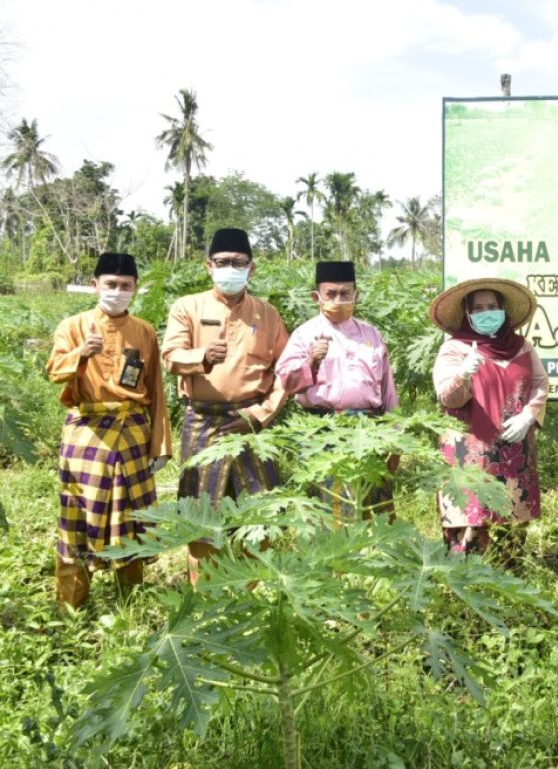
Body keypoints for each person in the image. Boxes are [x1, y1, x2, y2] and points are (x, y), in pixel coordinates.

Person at [161, 228, 289, 582]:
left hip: (252, 422)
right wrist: (200, 356)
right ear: (208, 266)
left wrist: (259, 415)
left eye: (238, 262)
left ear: (252, 269)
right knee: (202, 517)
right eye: (222, 262)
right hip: (204, 421)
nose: (230, 268)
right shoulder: (188, 307)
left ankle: (252, 592)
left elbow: (287, 372)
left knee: (260, 513)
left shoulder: (268, 314)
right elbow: (170, 355)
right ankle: (204, 595)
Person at [46, 253, 171, 607]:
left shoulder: (144, 331)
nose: (117, 291)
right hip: (86, 432)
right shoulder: (73, 326)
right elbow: (53, 371)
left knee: (131, 517)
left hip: (132, 431)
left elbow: (157, 389)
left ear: (135, 288)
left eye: (125, 286)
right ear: (95, 285)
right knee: (77, 515)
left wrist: (160, 444)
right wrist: (81, 354)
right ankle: (72, 605)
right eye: (111, 285)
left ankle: (130, 601)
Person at [430, 278, 548, 555]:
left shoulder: (522, 347)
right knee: (471, 516)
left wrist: (530, 414)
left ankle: (509, 578)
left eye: (492, 306)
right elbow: (447, 396)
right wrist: (464, 374)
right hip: (470, 449)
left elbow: (540, 383)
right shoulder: (455, 349)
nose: (487, 312)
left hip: (514, 446)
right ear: (468, 314)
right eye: (479, 308)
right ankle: (462, 580)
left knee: (512, 516)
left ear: (503, 310)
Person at [276, 261, 398, 523]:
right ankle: (334, 564)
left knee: (375, 511)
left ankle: (374, 561)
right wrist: (311, 361)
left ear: (356, 295)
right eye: (331, 294)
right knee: (329, 513)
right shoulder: (304, 334)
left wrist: (396, 437)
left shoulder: (372, 335)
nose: (338, 300)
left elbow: (387, 389)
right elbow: (285, 380)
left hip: (370, 430)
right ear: (316, 297)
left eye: (345, 293)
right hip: (323, 430)